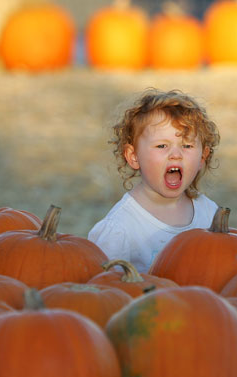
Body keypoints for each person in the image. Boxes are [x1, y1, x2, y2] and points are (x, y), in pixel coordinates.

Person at [88, 88, 221, 273]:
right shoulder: (121, 228)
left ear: (202, 157)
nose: (176, 154)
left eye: (187, 145)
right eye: (162, 146)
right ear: (133, 156)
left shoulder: (209, 214)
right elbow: (105, 289)